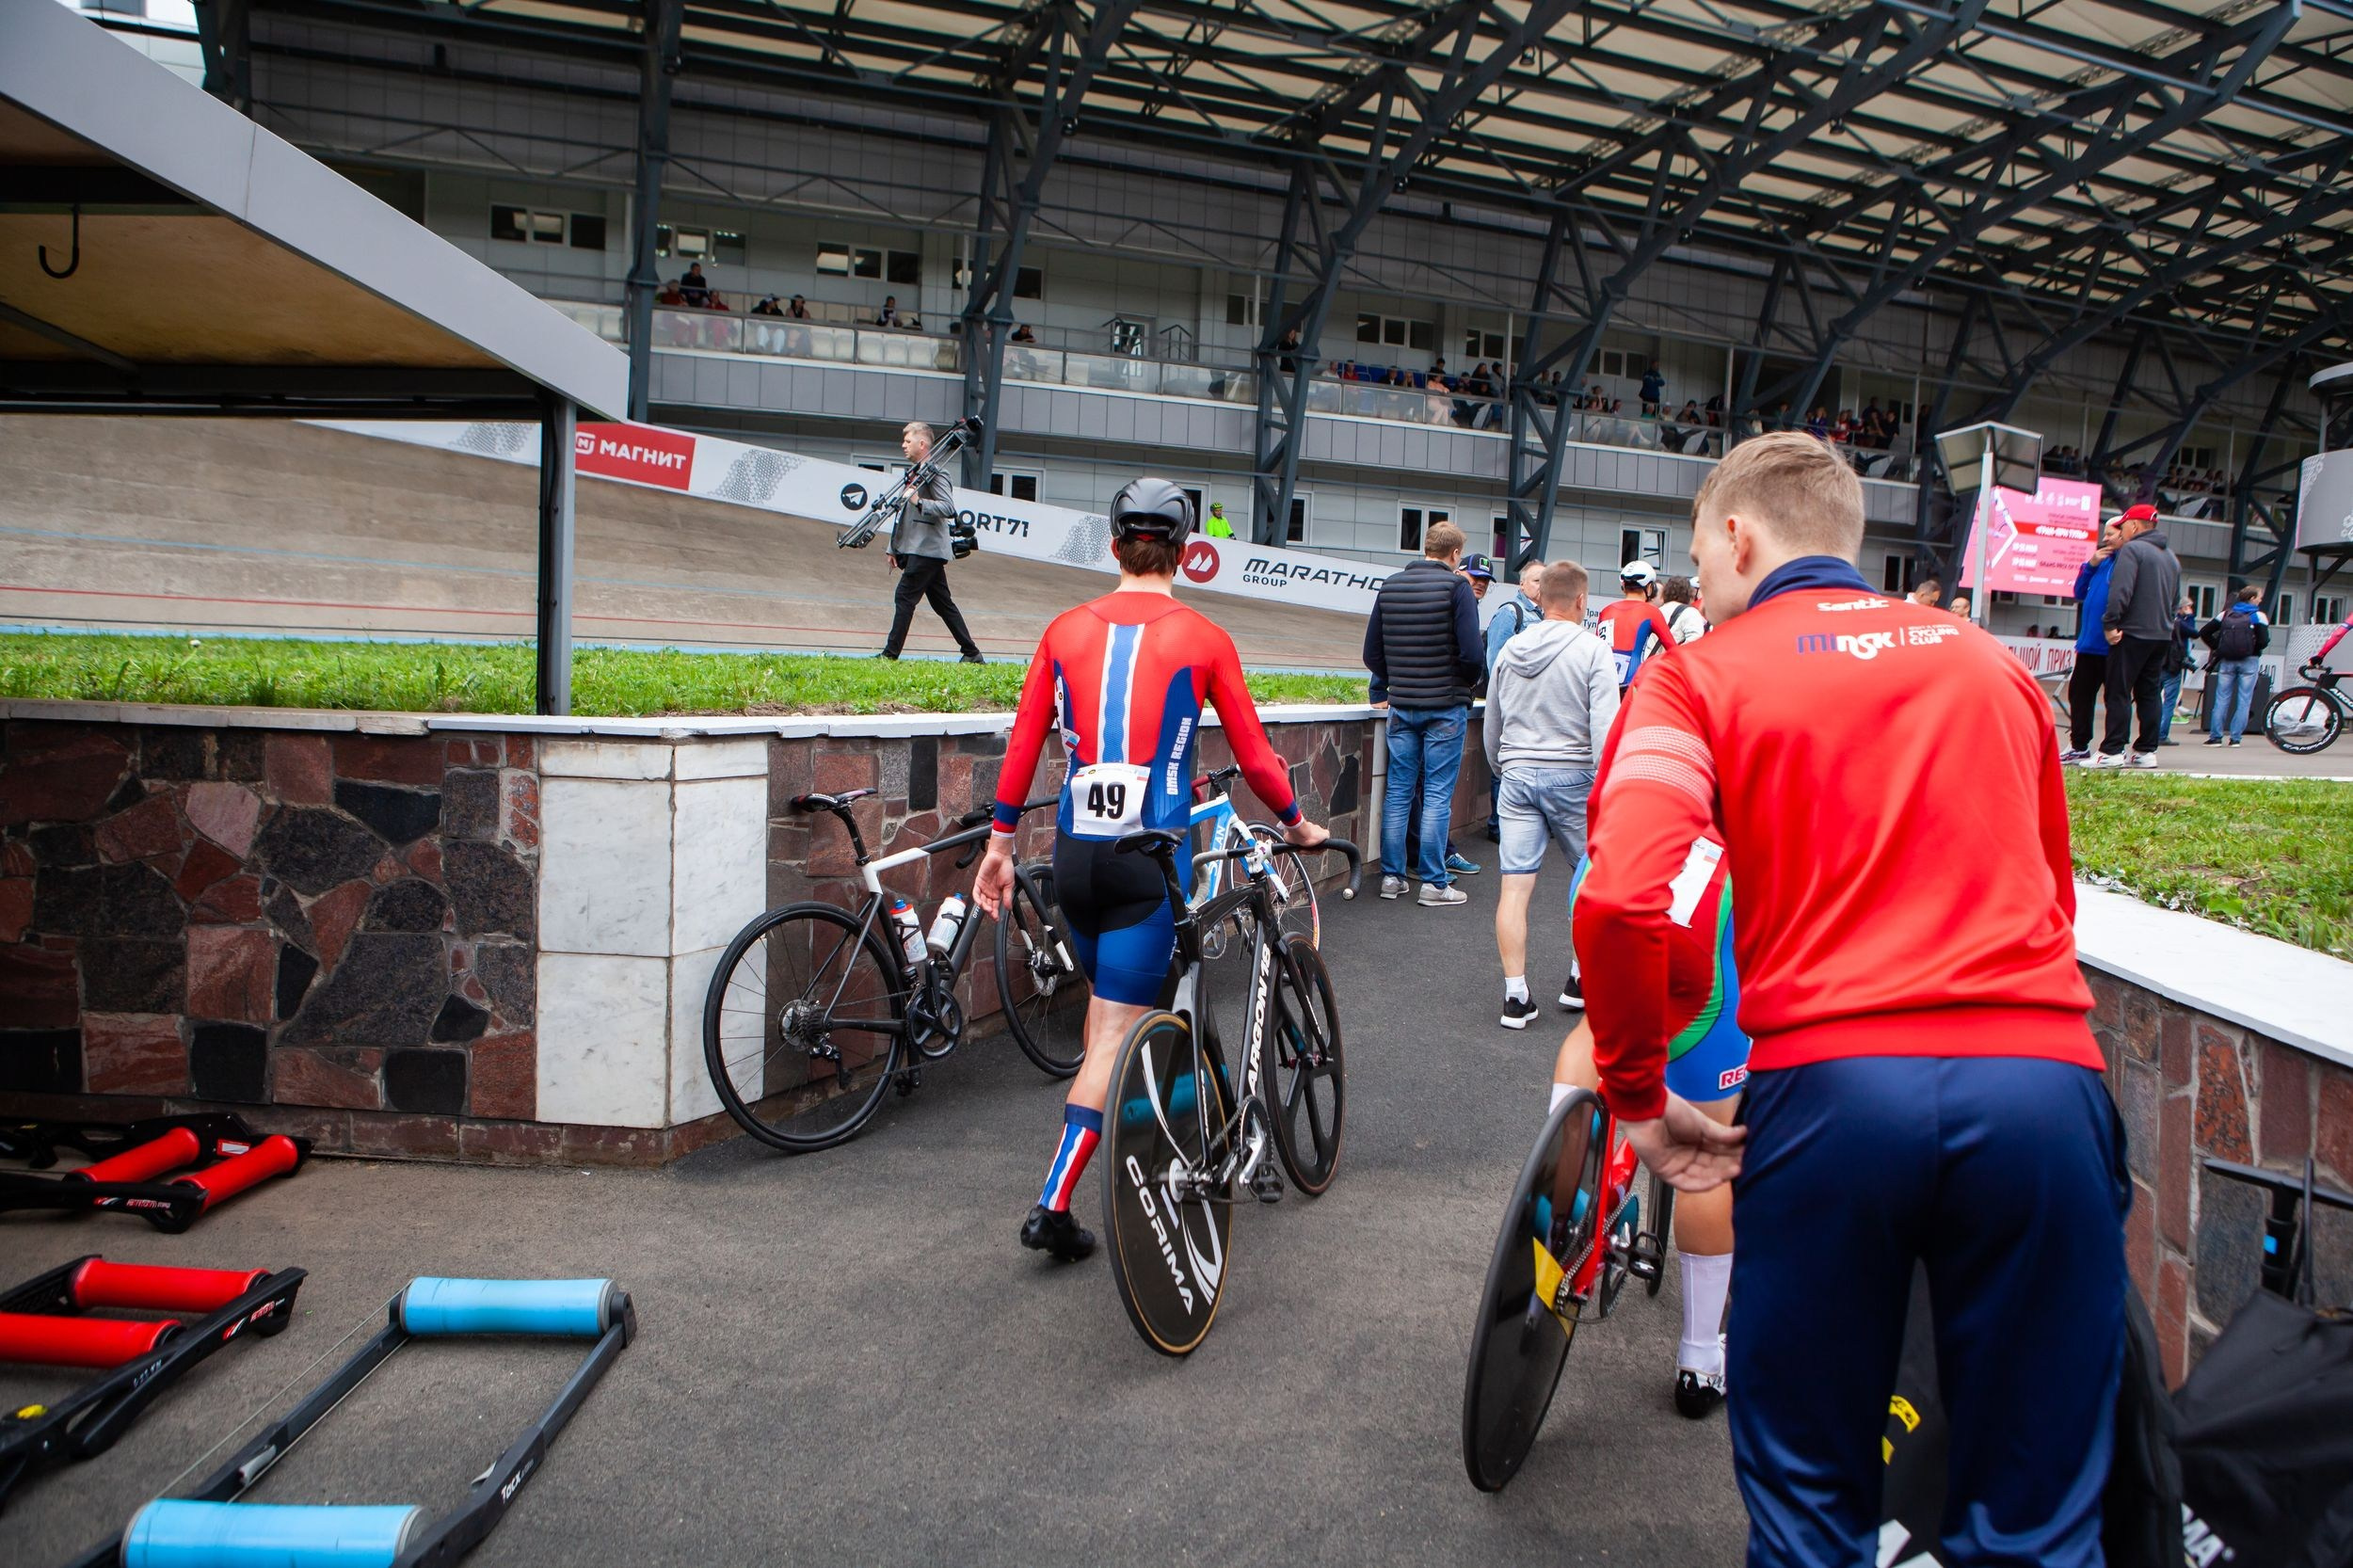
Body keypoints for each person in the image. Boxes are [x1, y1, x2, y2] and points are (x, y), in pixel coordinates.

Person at [1577, 430, 2122, 1567]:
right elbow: (2054, 899)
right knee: (2037, 1517)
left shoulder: (1697, 672)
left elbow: (1626, 895)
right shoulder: (1992, 665)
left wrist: (1637, 1092)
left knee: (1808, 1504)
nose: (1699, 581)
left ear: (1737, 536)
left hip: (1830, 1094)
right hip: (2038, 1086)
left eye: (1696, 554)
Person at [973, 479, 1329, 1262]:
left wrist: (999, 848)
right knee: (1111, 1037)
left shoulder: (1064, 629)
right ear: (1184, 554)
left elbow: (1025, 743)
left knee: (1116, 1018)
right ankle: (1053, 1202)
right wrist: (1299, 824)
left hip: (1075, 863)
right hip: (1149, 865)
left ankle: (1158, 1128)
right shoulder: (1201, 637)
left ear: (1113, 548)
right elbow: (1255, 756)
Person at [1555, 842, 1745, 1415]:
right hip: (1713, 899)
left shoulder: (1649, 744)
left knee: (1597, 1027)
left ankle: (1558, 1214)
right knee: (1705, 1158)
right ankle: (1700, 1361)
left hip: (1617, 871)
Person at [1483, 562, 1617, 1030]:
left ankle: (1515, 997)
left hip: (1517, 775)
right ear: (1581, 601)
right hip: (1576, 778)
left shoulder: (1511, 649)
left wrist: (1504, 768)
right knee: (1590, 881)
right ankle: (1580, 980)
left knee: (1514, 888)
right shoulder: (1593, 650)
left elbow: (1491, 723)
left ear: (1542, 599)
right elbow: (1605, 729)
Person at [1363, 520, 1483, 906]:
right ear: (1454, 555)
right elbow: (1471, 654)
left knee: (1398, 793)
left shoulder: (1391, 585)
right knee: (1436, 795)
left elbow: (1371, 653)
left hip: (1402, 707)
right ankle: (1433, 884)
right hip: (1445, 706)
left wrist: (1393, 679)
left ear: (1424, 548)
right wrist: (1463, 682)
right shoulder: (1457, 586)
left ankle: (1392, 879)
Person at [876, 422, 984, 664]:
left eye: (908, 441)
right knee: (943, 604)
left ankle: (889, 655)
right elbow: (902, 515)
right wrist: (893, 547)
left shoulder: (937, 473)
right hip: (918, 548)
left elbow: (948, 508)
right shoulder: (913, 473)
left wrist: (919, 501)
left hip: (927, 549)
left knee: (904, 597)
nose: (903, 445)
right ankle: (972, 653)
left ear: (922, 444)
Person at [2090, 502, 2181, 768]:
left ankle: (2112, 751)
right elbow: (2175, 600)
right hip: (2161, 635)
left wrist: (2110, 624)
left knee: (2118, 690)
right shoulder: (2171, 557)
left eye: (2124, 526)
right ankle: (2145, 751)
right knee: (2149, 692)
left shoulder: (2133, 550)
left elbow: (2121, 592)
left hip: (2131, 633)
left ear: (2133, 525)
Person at [2061, 518, 2125, 761]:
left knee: (2115, 698)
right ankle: (2079, 745)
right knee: (2079, 695)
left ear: (2124, 534)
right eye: (2105, 533)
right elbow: (2078, 592)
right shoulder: (2101, 562)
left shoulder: (2126, 564)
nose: (2106, 538)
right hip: (2088, 645)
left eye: (2111, 534)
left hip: (2112, 645)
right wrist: (2090, 564)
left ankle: (2114, 748)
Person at [2198, 585, 2270, 747]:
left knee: (2221, 699)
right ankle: (2235, 739)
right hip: (2249, 661)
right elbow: (2264, 640)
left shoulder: (2225, 614)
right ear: (2251, 599)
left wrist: (2219, 647)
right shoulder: (2258, 616)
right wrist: (2252, 649)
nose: (2260, 600)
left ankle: (2215, 738)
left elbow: (2204, 632)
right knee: (2244, 700)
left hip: (2227, 660)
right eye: (2259, 597)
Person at [1596, 560, 1676, 690]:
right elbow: (1673, 650)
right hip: (1633, 683)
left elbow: (1597, 648)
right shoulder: (1652, 612)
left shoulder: (1606, 611)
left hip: (1602, 680)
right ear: (1650, 587)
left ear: (1623, 587)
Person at [2158, 598, 2197, 745]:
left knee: (2153, 699)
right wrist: (2190, 617)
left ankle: (2148, 733)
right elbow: (2194, 633)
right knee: (2169, 701)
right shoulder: (2180, 623)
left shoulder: (2158, 622)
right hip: (2173, 664)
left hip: (2157, 663)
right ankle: (2162, 735)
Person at [1659, 576, 1706, 644]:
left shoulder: (1658, 611)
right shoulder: (1691, 613)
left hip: (1654, 654)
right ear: (1688, 594)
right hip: (1674, 653)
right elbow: (1695, 640)